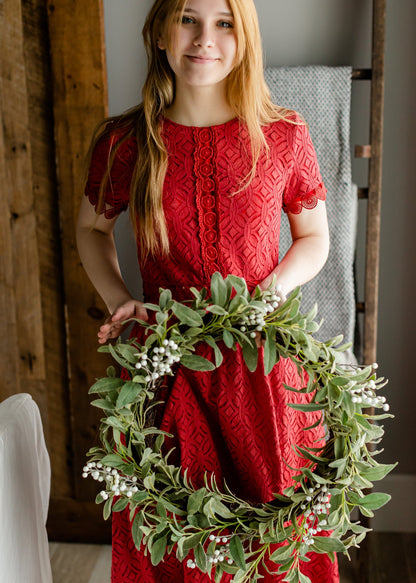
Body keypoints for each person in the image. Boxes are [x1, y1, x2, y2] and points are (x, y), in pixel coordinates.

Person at [76, 0, 340, 581]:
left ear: (244, 37)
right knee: (172, 541)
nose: (204, 38)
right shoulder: (126, 141)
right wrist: (118, 294)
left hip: (260, 365)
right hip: (167, 367)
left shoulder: (283, 134)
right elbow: (91, 230)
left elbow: (314, 237)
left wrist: (269, 292)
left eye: (224, 23)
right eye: (188, 19)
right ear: (161, 31)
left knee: (274, 534)